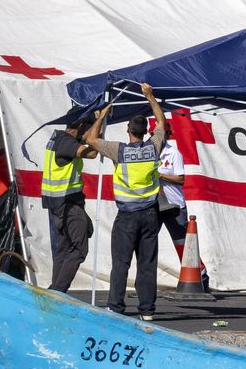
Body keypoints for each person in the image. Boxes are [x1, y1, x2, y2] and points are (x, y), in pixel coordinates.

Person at [86, 83, 166, 321]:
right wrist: (150, 96)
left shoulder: (119, 151)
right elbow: (162, 123)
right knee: (147, 264)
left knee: (121, 263)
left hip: (127, 216)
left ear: (128, 130)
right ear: (146, 131)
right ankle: (147, 311)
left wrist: (101, 117)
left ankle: (116, 307)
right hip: (151, 214)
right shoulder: (154, 147)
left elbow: (91, 139)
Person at [41, 109, 99, 292]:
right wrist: (100, 121)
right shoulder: (66, 143)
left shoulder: (59, 138)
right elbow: (92, 153)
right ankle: (58, 291)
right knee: (79, 248)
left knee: (64, 248)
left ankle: (55, 290)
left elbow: (87, 139)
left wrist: (99, 122)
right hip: (67, 204)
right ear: (81, 125)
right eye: (88, 126)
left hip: (57, 204)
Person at [156, 122, 210, 291]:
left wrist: (160, 175)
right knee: (146, 242)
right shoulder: (149, 151)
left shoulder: (174, 153)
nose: (156, 135)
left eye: (161, 132)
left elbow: (181, 179)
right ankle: (145, 284)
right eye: (154, 132)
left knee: (182, 245)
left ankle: (201, 275)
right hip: (155, 204)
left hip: (174, 205)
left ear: (167, 135)